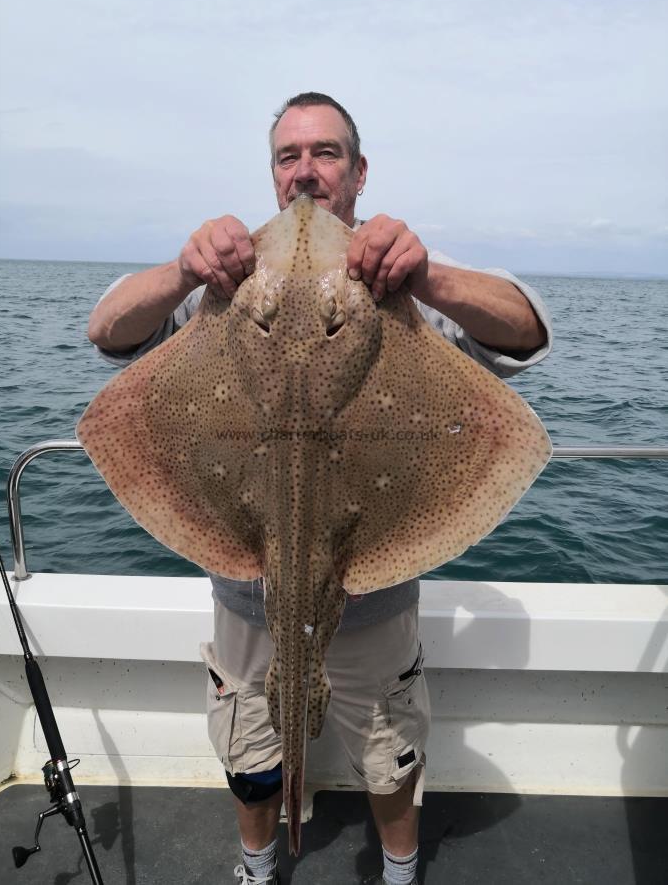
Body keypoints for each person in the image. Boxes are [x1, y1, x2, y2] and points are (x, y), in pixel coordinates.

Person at [88, 92, 552, 885]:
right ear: (272, 176)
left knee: (387, 750)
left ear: (358, 172)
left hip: (374, 588)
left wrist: (426, 274)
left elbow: (526, 330)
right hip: (244, 586)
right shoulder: (220, 290)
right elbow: (106, 333)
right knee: (250, 743)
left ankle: (398, 871)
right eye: (288, 156)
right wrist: (181, 269)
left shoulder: (398, 285)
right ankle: (258, 864)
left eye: (326, 153)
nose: (305, 173)